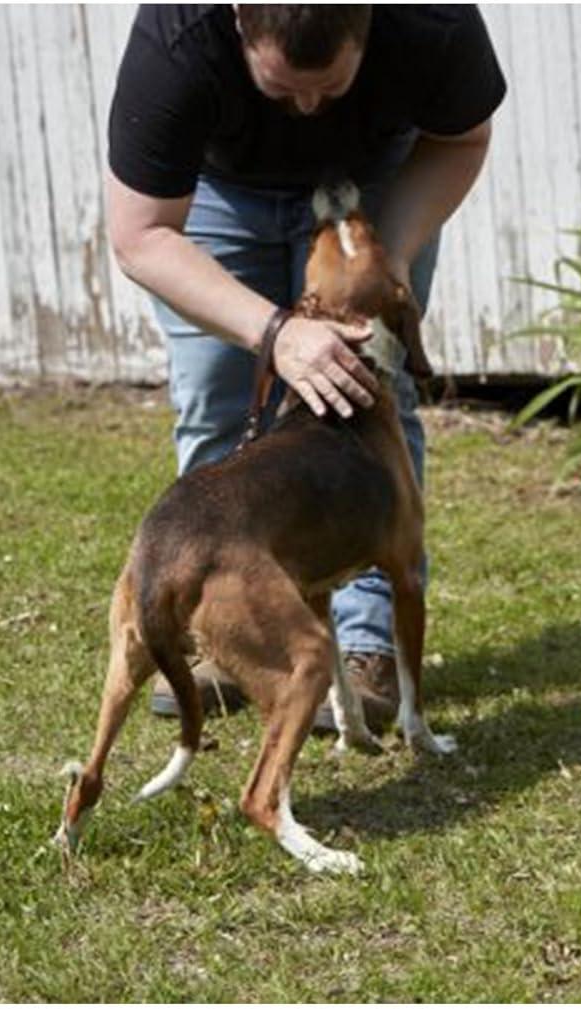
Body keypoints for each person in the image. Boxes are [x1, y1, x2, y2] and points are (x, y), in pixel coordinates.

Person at [104, 5, 506, 731]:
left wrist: (393, 256)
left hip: (373, 190)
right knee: (215, 407)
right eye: (283, 87)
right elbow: (139, 235)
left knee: (377, 402)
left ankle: (365, 643)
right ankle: (223, 628)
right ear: (236, 21)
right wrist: (275, 333)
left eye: (331, 86)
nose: (309, 108)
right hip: (221, 195)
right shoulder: (177, 36)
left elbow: (462, 137)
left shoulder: (432, 21)